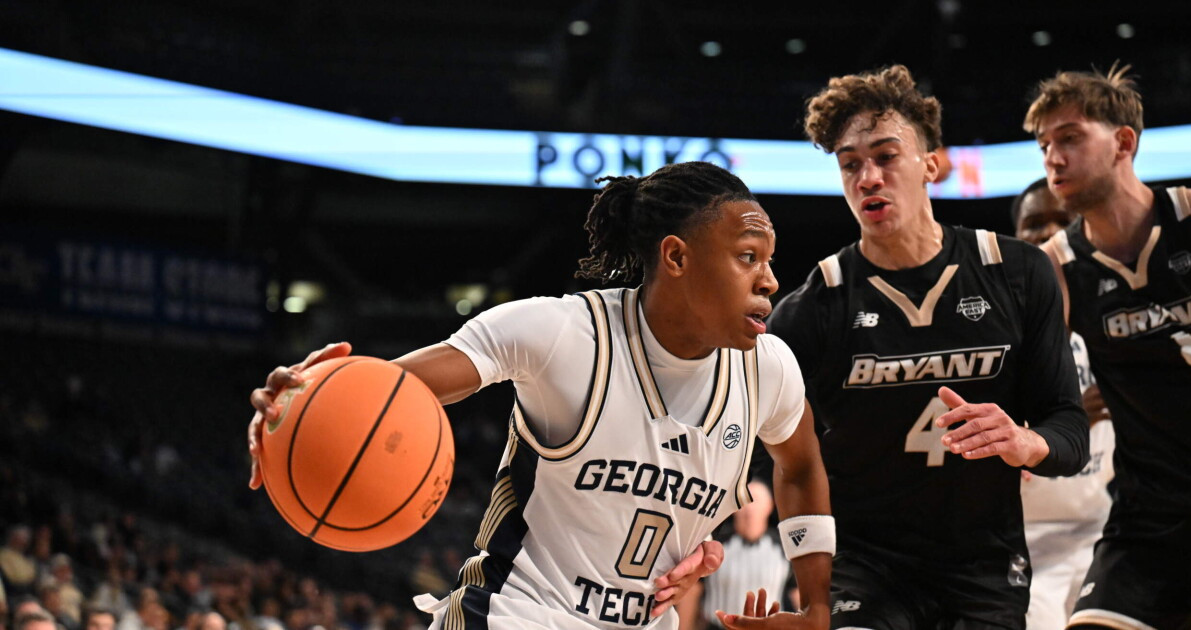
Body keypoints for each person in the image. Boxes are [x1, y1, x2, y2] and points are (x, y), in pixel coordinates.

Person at [246, 161, 834, 629]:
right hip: (515, 614)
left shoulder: (768, 371)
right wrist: (301, 400)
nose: (771, 280)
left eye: (771, 261)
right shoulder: (565, 335)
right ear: (676, 256)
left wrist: (815, 605)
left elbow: (802, 465)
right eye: (748, 258)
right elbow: (389, 393)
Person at [761, 65, 1088, 629]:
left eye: (886, 156)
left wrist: (1024, 440)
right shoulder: (815, 305)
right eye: (850, 165)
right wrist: (811, 593)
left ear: (932, 164)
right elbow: (768, 453)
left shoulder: (1017, 273)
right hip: (866, 566)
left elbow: (1069, 430)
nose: (868, 177)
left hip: (985, 563)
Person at [1025, 63, 1191, 629]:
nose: (1053, 157)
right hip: (1149, 520)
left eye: (1070, 137)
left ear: (1123, 141)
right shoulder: (1056, 266)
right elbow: (1034, 390)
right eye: (1045, 144)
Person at [1011, 179, 1116, 630]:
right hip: (1024, 538)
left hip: (1106, 530)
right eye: (1034, 224)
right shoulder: (997, 338)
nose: (1048, 233)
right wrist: (1065, 423)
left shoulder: (1114, 323)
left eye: (1062, 221)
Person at [695, 480, 790, 630]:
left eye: (756, 502)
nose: (750, 509)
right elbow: (694, 590)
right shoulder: (716, 544)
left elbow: (798, 593)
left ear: (769, 506)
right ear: (735, 507)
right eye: (746, 501)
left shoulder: (783, 548)